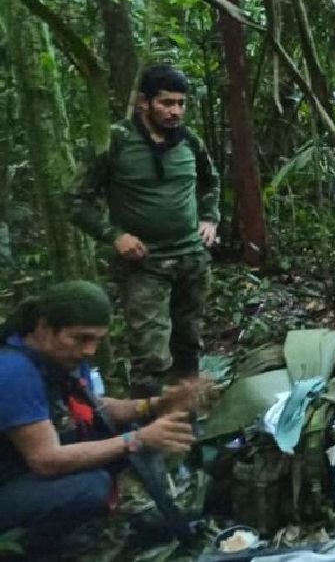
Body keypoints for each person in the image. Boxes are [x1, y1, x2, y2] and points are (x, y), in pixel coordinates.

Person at [0, 281, 204, 548]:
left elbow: (93, 407)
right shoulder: (13, 371)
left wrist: (155, 404)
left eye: (97, 339)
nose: (90, 351)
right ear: (44, 328)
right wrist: (137, 439)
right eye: (81, 338)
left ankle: (156, 509)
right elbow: (45, 460)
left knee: (135, 429)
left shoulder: (60, 357)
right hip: (12, 482)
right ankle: (38, 548)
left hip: (33, 467)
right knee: (91, 487)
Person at [68, 64, 219, 394]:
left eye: (180, 103)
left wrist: (209, 218)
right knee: (150, 356)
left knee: (189, 343)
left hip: (191, 259)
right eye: (166, 103)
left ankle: (187, 422)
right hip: (144, 264)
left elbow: (211, 183)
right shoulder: (115, 142)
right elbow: (77, 201)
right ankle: (150, 433)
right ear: (143, 102)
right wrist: (115, 236)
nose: (175, 111)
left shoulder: (190, 142)